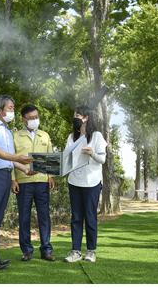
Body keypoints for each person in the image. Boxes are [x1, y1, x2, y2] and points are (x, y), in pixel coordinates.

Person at [0, 95, 33, 272]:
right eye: (10, 108)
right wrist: (18, 158)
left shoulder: (8, 132)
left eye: (13, 108)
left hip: (3, 176)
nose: (13, 111)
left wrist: (25, 169)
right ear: (0, 109)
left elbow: (9, 160)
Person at [11, 104, 56, 262]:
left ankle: (47, 250)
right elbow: (10, 159)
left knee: (44, 217)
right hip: (23, 183)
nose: (34, 120)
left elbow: (50, 157)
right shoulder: (15, 136)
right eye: (31, 118)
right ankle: (27, 250)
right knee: (24, 217)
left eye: (36, 117)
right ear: (23, 119)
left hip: (42, 182)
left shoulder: (45, 135)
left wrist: (50, 176)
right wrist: (13, 179)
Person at [63, 105, 107, 263]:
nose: (75, 118)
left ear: (86, 117)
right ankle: (75, 251)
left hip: (92, 183)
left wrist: (92, 153)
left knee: (90, 217)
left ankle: (91, 251)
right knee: (76, 217)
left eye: (78, 115)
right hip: (74, 181)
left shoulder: (96, 136)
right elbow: (66, 158)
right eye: (74, 115)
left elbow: (102, 159)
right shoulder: (71, 137)